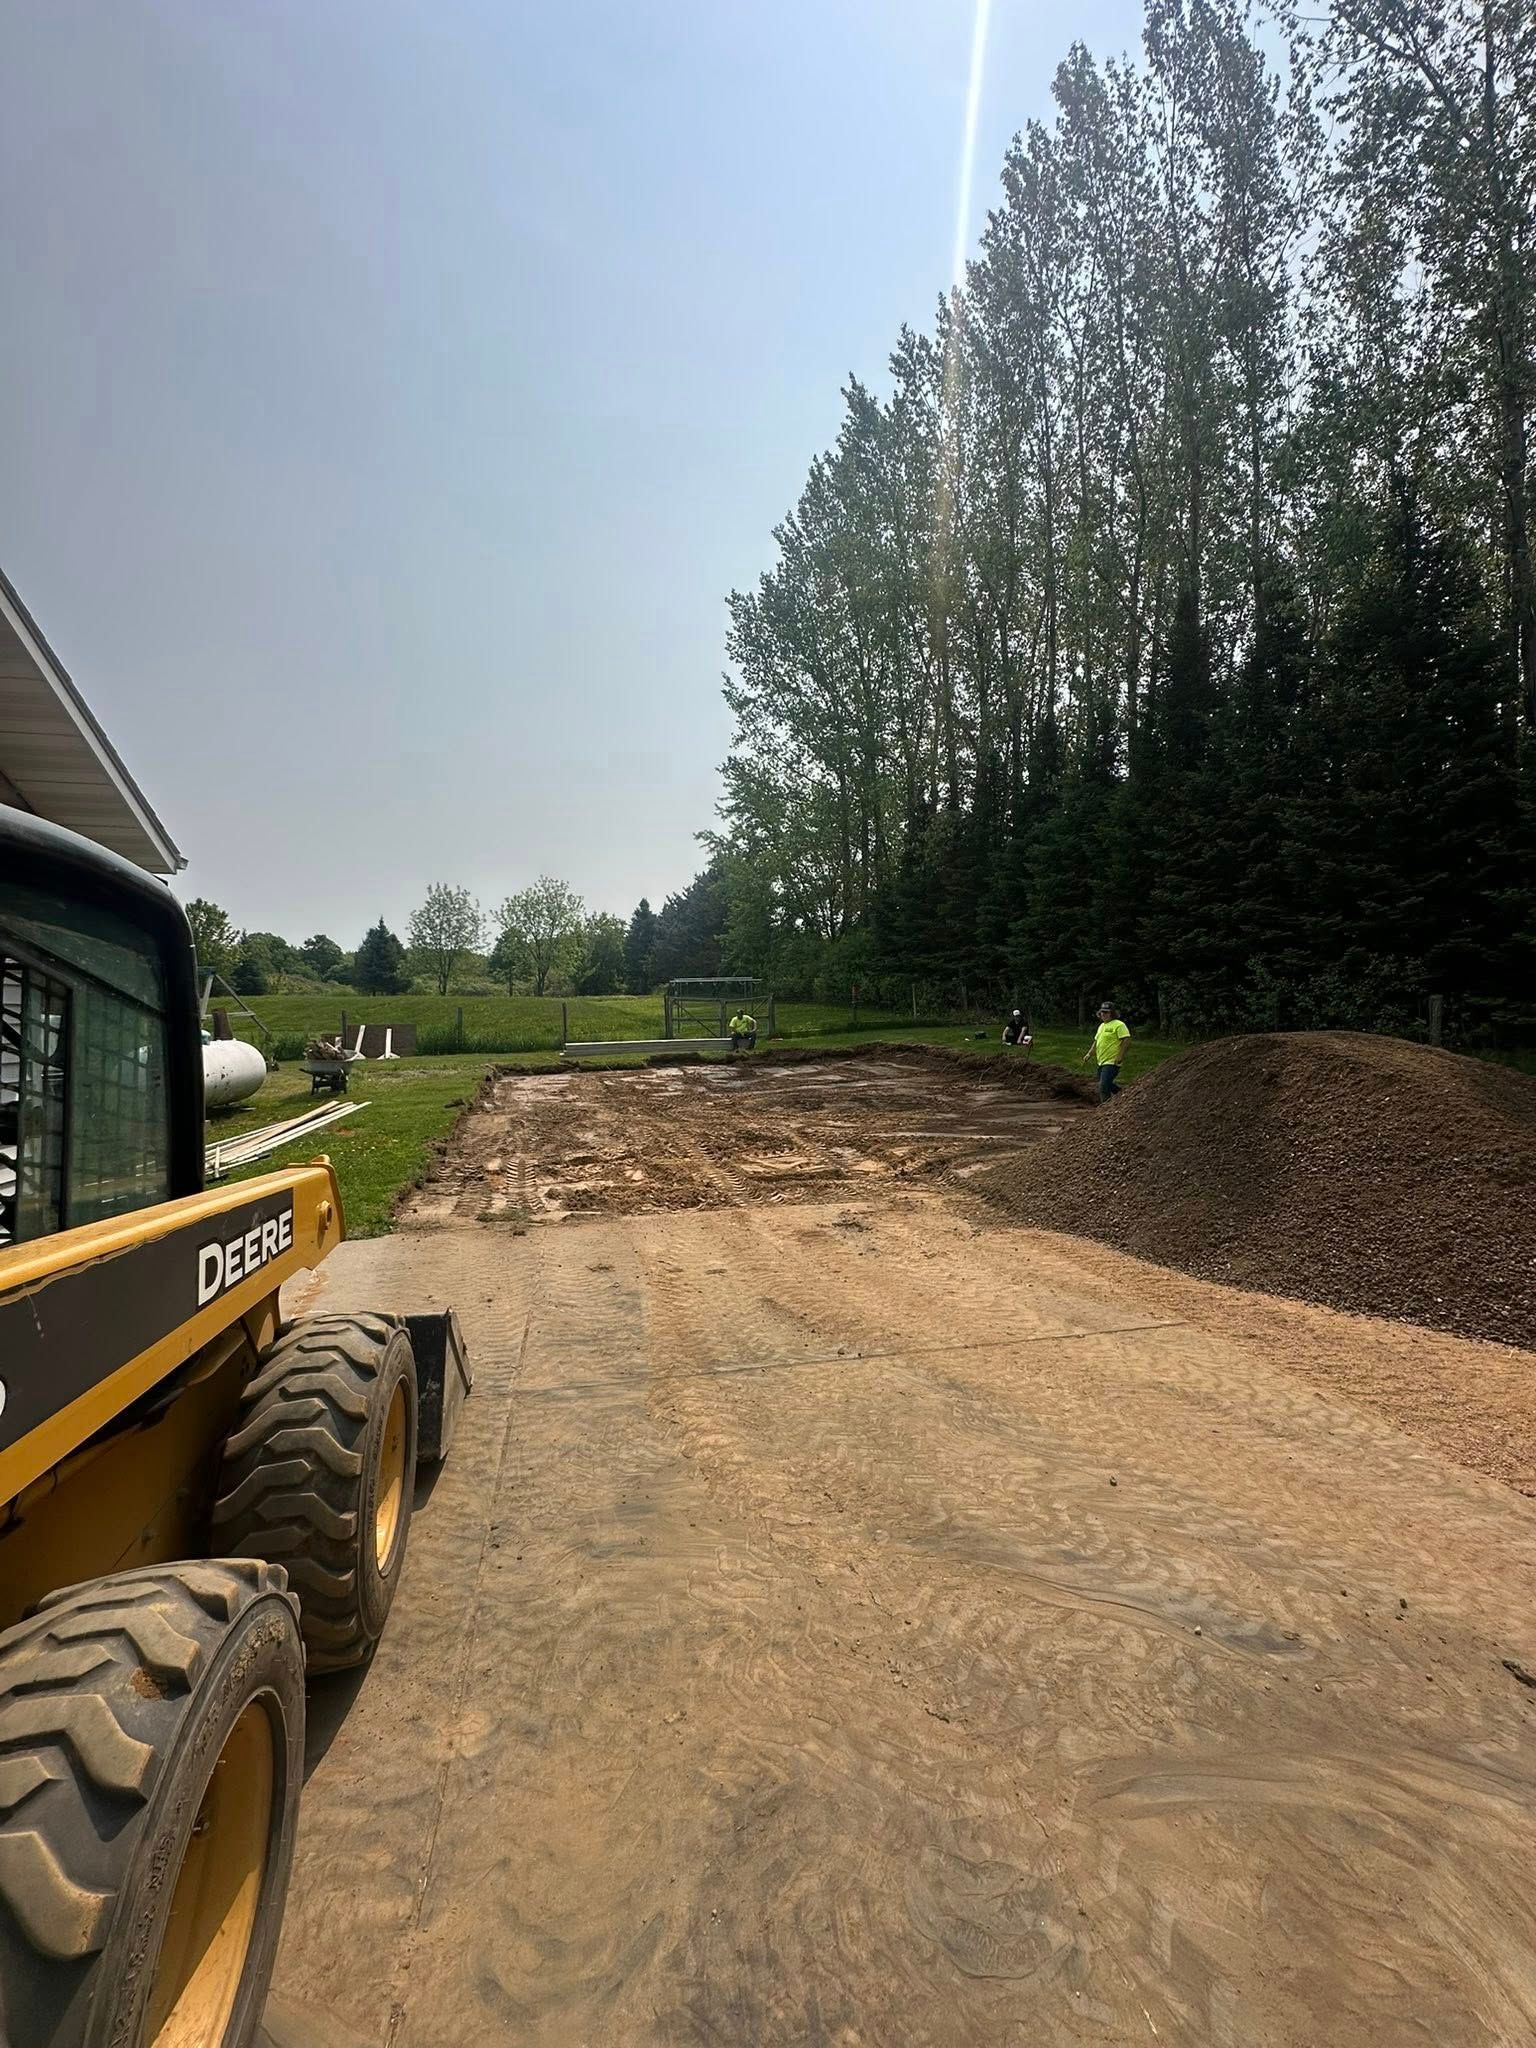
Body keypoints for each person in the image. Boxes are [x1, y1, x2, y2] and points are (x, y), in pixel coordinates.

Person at [1083, 1002, 1130, 1101]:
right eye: (1102, 1012)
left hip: (1112, 1061)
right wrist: (1089, 1054)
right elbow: (1096, 1042)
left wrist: (1120, 1056)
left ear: (1112, 1013)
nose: (1103, 1014)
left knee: (1103, 1086)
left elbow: (1126, 1040)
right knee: (1105, 1083)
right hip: (1101, 1061)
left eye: (1106, 1012)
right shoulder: (1101, 1026)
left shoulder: (1119, 1025)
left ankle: (1105, 1107)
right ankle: (1123, 1094)